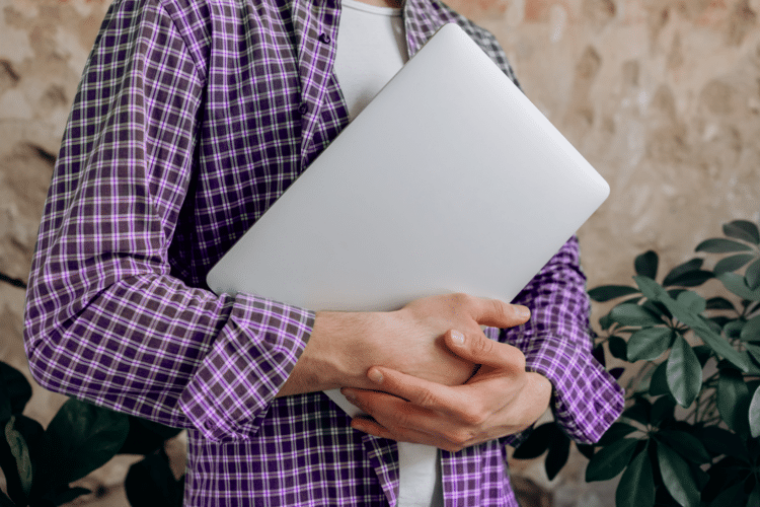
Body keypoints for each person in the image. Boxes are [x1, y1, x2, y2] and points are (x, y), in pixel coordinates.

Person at [23, 0, 624, 505]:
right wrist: (359, 347)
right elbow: (80, 307)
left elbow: (552, 273)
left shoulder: (476, 46)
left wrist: (534, 389)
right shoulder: (183, 14)